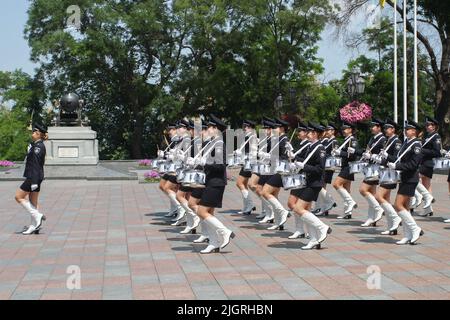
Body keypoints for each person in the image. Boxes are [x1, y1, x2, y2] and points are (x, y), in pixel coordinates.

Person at [186, 114, 234, 254]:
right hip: (210, 181)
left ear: (216, 129)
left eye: (210, 127)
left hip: (216, 182)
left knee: (201, 211)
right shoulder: (213, 143)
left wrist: (204, 163)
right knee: (208, 214)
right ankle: (213, 243)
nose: (207, 130)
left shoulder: (219, 144)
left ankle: (225, 232)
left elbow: (220, 165)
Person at [290, 122, 332, 250]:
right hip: (308, 181)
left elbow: (320, 169)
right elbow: (307, 161)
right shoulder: (311, 146)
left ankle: (322, 227)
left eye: (309, 132)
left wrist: (304, 166)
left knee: (298, 208)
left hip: (315, 183)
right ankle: (314, 239)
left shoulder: (320, 148)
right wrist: (297, 163)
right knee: (305, 211)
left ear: (314, 134)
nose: (307, 133)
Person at [386, 120, 424, 245]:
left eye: (408, 129)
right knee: (405, 207)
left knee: (398, 205)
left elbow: (413, 164)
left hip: (410, 178)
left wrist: (397, 166)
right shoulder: (407, 143)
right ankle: (408, 235)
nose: (406, 131)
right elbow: (399, 157)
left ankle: (415, 229)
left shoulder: (416, 145)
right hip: (405, 177)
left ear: (414, 131)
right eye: (406, 129)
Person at [15, 124, 48, 235]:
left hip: (33, 177)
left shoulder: (38, 147)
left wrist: (33, 181)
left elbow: (36, 164)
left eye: (34, 132)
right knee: (33, 202)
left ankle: (37, 216)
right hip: (36, 177)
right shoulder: (36, 145)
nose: (32, 134)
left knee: (18, 197)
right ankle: (34, 226)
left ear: (38, 134)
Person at [261, 118, 292, 231]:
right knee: (273, 195)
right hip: (274, 168)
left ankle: (282, 211)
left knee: (265, 192)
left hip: (281, 170)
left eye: (276, 128)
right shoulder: (279, 139)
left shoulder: (285, 140)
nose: (274, 130)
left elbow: (285, 157)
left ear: (282, 128)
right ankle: (279, 222)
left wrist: (269, 156)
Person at [374, 118, 403, 235]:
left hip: (390, 173)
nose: (385, 130)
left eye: (388, 128)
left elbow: (397, 158)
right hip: (385, 172)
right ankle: (392, 226)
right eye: (385, 128)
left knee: (378, 196)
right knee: (386, 199)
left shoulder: (396, 141)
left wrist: (387, 156)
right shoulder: (388, 140)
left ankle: (395, 217)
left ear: (393, 129)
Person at [358, 119, 387, 227]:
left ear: (379, 127)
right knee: (371, 192)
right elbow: (368, 150)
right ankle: (372, 218)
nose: (372, 128)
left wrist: (373, 156)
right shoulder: (372, 138)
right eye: (371, 126)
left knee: (363, 189)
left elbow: (383, 154)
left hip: (376, 168)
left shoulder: (382, 139)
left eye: (374, 126)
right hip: (370, 167)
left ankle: (378, 208)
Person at [411, 117, 442, 217]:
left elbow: (437, 152)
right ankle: (428, 209)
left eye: (430, 125)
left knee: (412, 177)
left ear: (434, 127)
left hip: (427, 163)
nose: (428, 127)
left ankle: (419, 197)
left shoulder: (436, 137)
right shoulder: (427, 136)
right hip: (423, 162)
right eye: (427, 125)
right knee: (426, 185)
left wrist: (422, 150)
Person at [175, 120, 200, 233]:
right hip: (188, 172)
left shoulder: (196, 141)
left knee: (180, 196)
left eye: (191, 129)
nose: (190, 131)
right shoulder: (193, 140)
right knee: (187, 198)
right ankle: (191, 224)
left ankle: (194, 217)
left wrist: (185, 159)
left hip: (194, 173)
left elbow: (198, 159)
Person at [332, 121, 361, 219]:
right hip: (345, 166)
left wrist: (340, 153)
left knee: (336, 184)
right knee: (346, 188)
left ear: (350, 130)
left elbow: (353, 155)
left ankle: (351, 202)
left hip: (349, 166)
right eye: (343, 129)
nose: (343, 131)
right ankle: (347, 212)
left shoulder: (352, 140)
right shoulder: (346, 140)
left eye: (345, 129)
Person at [287, 121, 310, 239]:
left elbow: (305, 160)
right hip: (298, 175)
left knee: (293, 204)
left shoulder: (307, 145)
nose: (298, 133)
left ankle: (307, 229)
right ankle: (301, 230)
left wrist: (294, 157)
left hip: (303, 176)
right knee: (295, 204)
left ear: (306, 133)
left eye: (300, 131)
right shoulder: (301, 143)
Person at [159, 123, 184, 220]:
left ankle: (180, 207)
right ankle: (175, 207)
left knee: (168, 188)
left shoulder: (182, 140)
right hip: (171, 166)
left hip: (177, 167)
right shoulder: (174, 140)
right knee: (163, 186)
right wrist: (164, 155)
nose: (169, 132)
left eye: (171, 130)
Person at [313, 122, 338, 216]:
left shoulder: (334, 141)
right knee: (320, 187)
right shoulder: (325, 141)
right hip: (324, 166)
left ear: (333, 131)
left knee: (321, 186)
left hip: (328, 167)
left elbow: (333, 155)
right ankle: (321, 207)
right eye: (326, 130)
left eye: (328, 130)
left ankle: (324, 205)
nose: (326, 132)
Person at [256, 118, 276, 224]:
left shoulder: (274, 139)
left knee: (262, 190)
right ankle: (269, 213)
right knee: (262, 190)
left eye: (266, 128)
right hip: (265, 166)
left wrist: (265, 155)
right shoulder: (268, 139)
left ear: (270, 129)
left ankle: (270, 213)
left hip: (271, 168)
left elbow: (275, 155)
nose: (264, 130)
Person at [234, 120, 257, 215]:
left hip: (249, 163)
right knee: (243, 184)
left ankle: (250, 204)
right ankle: (247, 206)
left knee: (239, 183)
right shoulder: (249, 136)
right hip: (247, 162)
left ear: (249, 127)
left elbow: (254, 150)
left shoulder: (252, 136)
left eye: (245, 127)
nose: (244, 128)